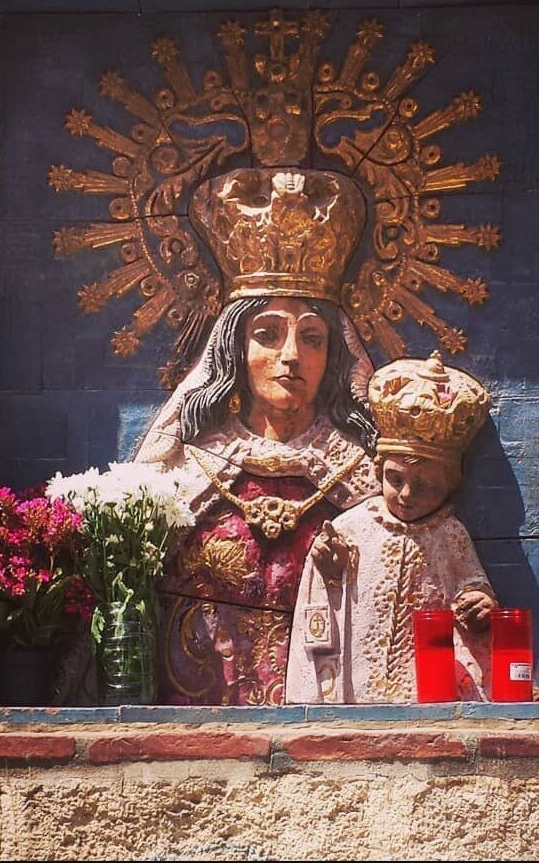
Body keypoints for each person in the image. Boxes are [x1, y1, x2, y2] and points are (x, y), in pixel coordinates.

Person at [134, 168, 379, 705]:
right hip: (199, 718)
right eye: (267, 335)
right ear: (233, 352)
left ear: (333, 355)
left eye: (311, 338)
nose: (291, 356)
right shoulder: (191, 470)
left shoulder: (362, 477)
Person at [286, 351, 498, 704]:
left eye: (427, 486)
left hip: (428, 687)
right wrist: (331, 571)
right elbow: (322, 598)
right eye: (394, 478)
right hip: (357, 679)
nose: (406, 495)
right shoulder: (351, 528)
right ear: (378, 469)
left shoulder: (450, 534)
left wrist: (479, 603)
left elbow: (472, 586)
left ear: (451, 485)